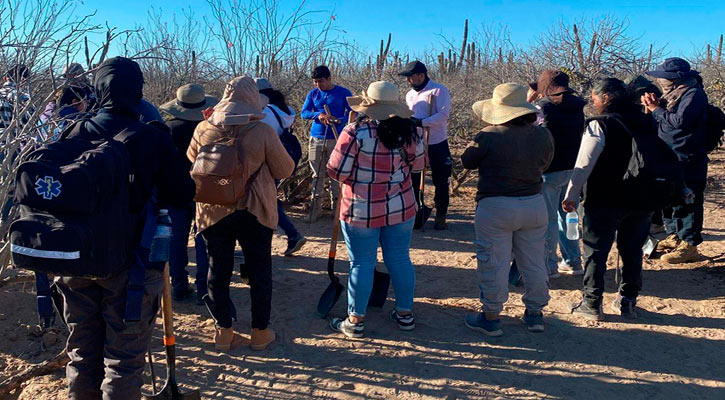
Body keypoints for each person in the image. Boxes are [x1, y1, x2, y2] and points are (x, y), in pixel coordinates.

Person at [54, 57, 196, 400]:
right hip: (130, 264)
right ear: (138, 92)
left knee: (82, 353)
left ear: (99, 90)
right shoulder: (152, 138)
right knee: (123, 360)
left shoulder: (73, 131)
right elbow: (183, 194)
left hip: (74, 260)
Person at [188, 76, 294, 351]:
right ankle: (260, 332)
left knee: (217, 270)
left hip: (212, 209)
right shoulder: (262, 131)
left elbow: (192, 160)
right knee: (259, 272)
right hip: (255, 209)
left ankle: (224, 331)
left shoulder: (202, 128)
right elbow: (284, 170)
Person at [326, 81, 424, 338]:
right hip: (400, 206)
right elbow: (418, 166)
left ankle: (355, 320)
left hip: (361, 208)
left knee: (361, 263)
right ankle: (405, 314)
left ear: (368, 105)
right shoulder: (412, 131)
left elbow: (336, 171)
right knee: (400, 258)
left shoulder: (355, 131)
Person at [565, 78, 662, 320]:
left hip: (604, 199)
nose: (593, 102)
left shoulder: (599, 125)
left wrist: (571, 195)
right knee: (632, 251)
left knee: (595, 251)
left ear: (606, 97)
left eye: (595, 98)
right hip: (642, 198)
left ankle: (592, 303)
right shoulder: (646, 120)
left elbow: (584, 164)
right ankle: (627, 301)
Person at [461, 83, 554, 336]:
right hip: (534, 203)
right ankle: (535, 313)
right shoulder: (543, 135)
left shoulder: (488, 135)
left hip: (496, 206)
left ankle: (491, 316)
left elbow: (467, 161)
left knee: (493, 260)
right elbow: (546, 163)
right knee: (534, 261)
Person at [643, 58, 709, 264]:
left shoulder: (693, 94)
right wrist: (651, 107)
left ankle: (689, 245)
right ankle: (674, 236)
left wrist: (657, 109)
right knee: (669, 197)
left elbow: (680, 122)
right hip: (669, 156)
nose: (661, 81)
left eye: (665, 77)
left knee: (689, 200)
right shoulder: (671, 95)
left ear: (676, 78)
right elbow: (660, 122)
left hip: (688, 156)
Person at [159, 83, 218, 303]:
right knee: (203, 239)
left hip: (176, 190)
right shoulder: (211, 128)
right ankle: (204, 285)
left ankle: (179, 285)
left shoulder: (169, 129)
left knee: (176, 239)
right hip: (205, 190)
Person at [534, 70, 586, 277]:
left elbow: (527, 123)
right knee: (569, 217)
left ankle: (549, 264)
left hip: (549, 170)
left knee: (548, 221)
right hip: (573, 168)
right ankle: (573, 261)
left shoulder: (543, 108)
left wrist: (531, 100)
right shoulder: (577, 107)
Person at [256, 77, 307, 256]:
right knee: (269, 198)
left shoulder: (265, 113)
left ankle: (292, 234)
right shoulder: (285, 111)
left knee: (264, 201)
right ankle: (292, 235)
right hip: (281, 159)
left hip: (264, 162)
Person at [399, 60, 452, 230]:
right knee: (414, 179)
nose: (408, 80)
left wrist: (422, 122)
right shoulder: (409, 95)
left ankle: (441, 215)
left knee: (440, 180)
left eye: (411, 77)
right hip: (415, 142)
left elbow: (443, 115)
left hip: (436, 142)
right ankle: (414, 213)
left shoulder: (439, 90)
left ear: (421, 75)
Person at [300, 65, 352, 221]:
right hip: (316, 138)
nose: (318, 85)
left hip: (337, 138)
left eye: (321, 81)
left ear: (329, 79)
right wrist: (319, 115)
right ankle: (315, 210)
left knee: (336, 174)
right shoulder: (313, 93)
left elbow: (352, 112)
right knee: (318, 174)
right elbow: (304, 113)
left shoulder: (343, 93)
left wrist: (339, 120)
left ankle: (337, 209)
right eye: (315, 81)